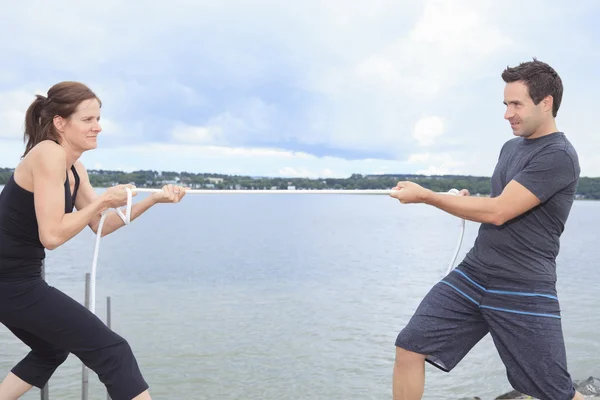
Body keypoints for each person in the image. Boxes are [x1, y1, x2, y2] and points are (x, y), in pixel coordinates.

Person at [389, 59, 584, 400]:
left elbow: (498, 212)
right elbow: (504, 199)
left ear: (546, 102)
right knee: (410, 346)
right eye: (506, 104)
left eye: (516, 104)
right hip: (474, 273)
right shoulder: (511, 147)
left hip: (523, 286)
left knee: (556, 393)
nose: (507, 114)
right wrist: (463, 200)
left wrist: (428, 196)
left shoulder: (559, 155)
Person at [0, 81, 187, 400]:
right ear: (60, 122)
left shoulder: (75, 168)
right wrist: (103, 200)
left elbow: (101, 225)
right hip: (11, 282)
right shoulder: (48, 154)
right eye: (88, 120)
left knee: (51, 350)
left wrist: (152, 200)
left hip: (16, 281)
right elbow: (52, 235)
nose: (98, 127)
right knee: (114, 352)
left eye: (99, 119)